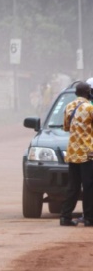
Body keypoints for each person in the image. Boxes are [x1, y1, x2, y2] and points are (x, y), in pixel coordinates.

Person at [60, 81, 93, 226]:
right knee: (89, 186)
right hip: (87, 152)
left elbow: (66, 128)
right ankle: (89, 218)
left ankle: (65, 217)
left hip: (73, 152)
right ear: (88, 92)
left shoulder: (69, 107)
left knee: (72, 186)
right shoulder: (90, 108)